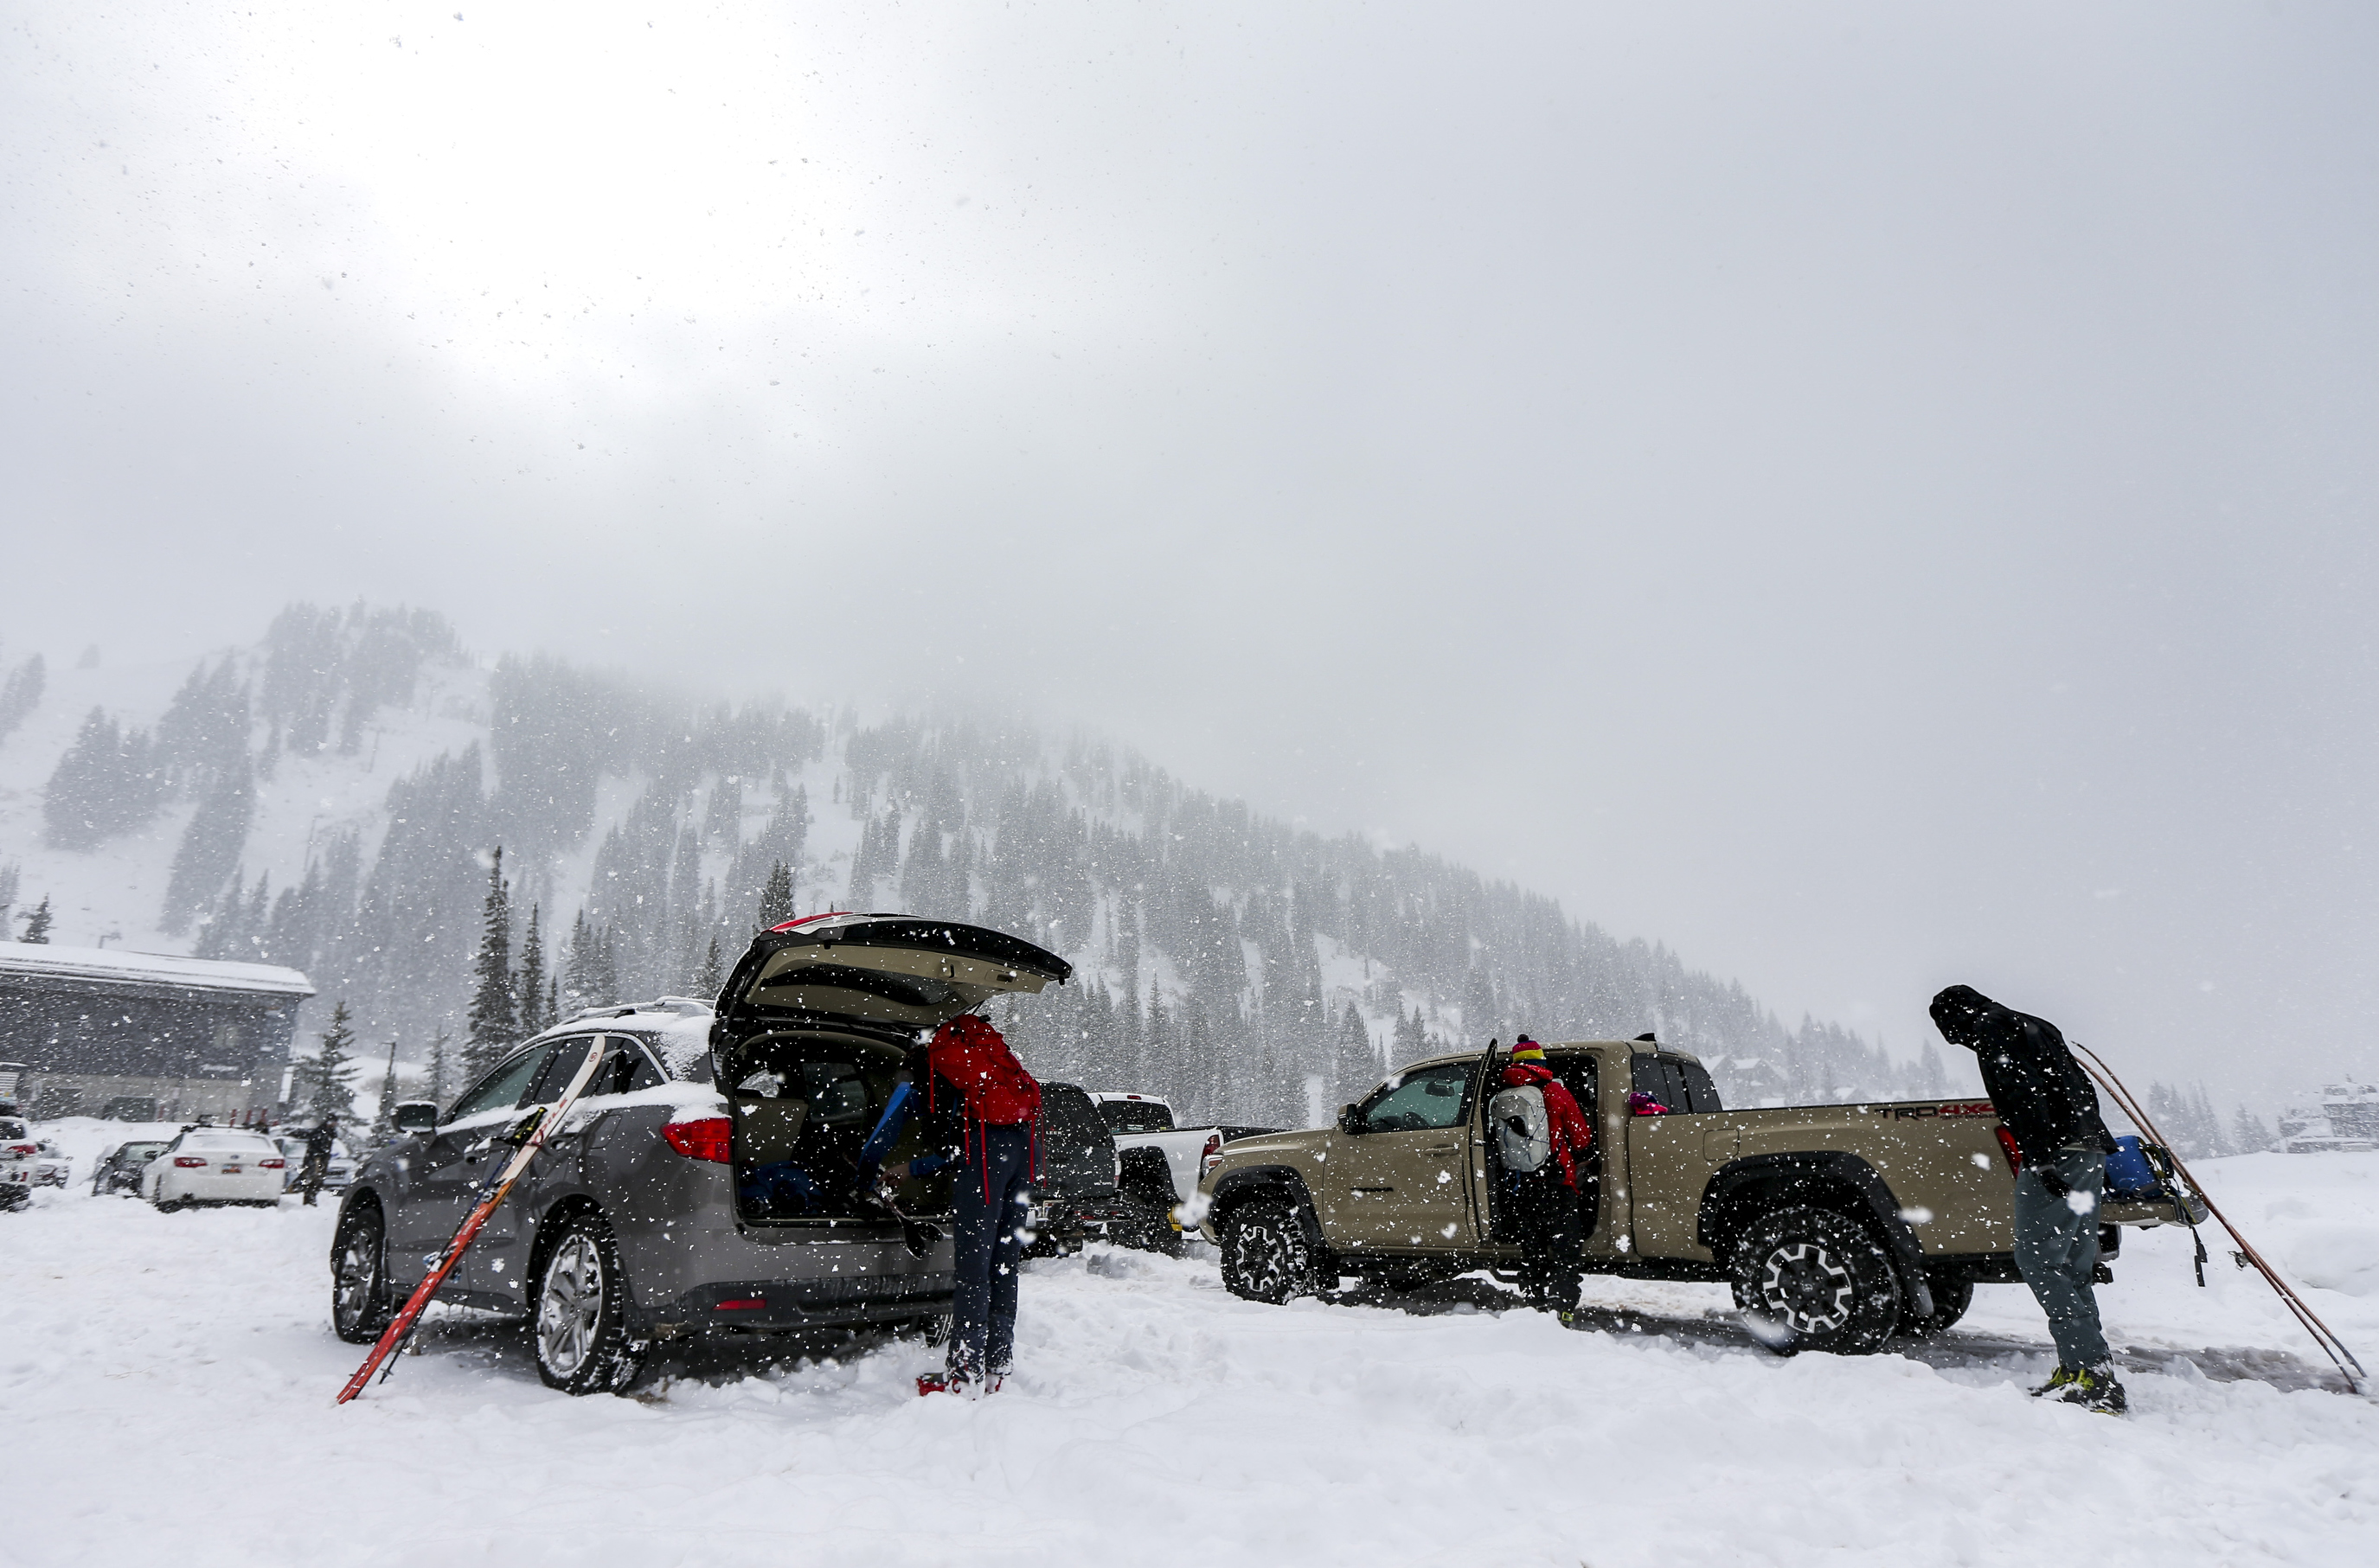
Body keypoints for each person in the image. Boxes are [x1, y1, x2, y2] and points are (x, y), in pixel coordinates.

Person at [1930, 985, 2126, 1415]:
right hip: (2088, 1150)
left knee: (2037, 1259)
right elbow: (2079, 1088)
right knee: (2073, 1263)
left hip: (2055, 1154)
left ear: (1956, 1016)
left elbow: (2025, 1094)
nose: (1956, 1039)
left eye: (1949, 1029)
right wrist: (2087, 1143)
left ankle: (2092, 1373)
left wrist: (2040, 1160)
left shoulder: (1991, 1030)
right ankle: (2082, 1366)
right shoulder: (2034, 1024)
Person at [885, 1013, 1042, 1395]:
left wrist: (910, 1167)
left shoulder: (938, 1076)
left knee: (974, 1271)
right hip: (1023, 1150)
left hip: (986, 1162)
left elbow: (951, 1148)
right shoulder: (986, 1069)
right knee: (1004, 1266)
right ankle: (996, 1368)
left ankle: (962, 1375)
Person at [1493, 1036, 1593, 1322]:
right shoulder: (1555, 1092)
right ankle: (1562, 1309)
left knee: (1532, 1250)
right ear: (1541, 1063)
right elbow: (1582, 1138)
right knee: (1565, 1251)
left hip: (1521, 1183)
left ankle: (1534, 1307)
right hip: (1557, 1183)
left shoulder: (1502, 1096)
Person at [298, 1117, 337, 1207]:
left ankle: (311, 1198)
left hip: (322, 1159)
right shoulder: (320, 1132)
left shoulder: (329, 1132)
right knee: (313, 1179)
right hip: (316, 1159)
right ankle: (309, 1199)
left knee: (318, 1180)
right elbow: (315, 1145)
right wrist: (318, 1155)